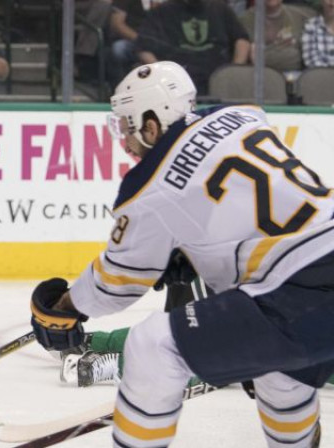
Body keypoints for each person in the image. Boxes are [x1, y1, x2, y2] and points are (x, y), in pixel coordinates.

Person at [30, 60, 333, 447]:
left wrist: (65, 306)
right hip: (317, 267)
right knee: (282, 375)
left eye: (127, 127)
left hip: (301, 289)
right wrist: (191, 252)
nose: (124, 141)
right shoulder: (243, 116)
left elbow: (116, 285)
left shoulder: (149, 184)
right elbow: (252, 212)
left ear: (151, 124)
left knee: (152, 346)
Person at [136, 0, 250, 95]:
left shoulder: (220, 8)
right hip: (176, 80)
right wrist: (163, 74)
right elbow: (144, 48)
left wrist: (234, 70)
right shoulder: (163, 11)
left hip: (218, 77)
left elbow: (242, 40)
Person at [240, 0, 315, 74]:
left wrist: (266, 54)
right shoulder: (244, 21)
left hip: (298, 78)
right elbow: (251, 60)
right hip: (263, 78)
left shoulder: (302, 15)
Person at [301, 0, 334, 67]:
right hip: (322, 76)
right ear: (322, 1)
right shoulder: (311, 26)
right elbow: (311, 62)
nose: (332, 3)